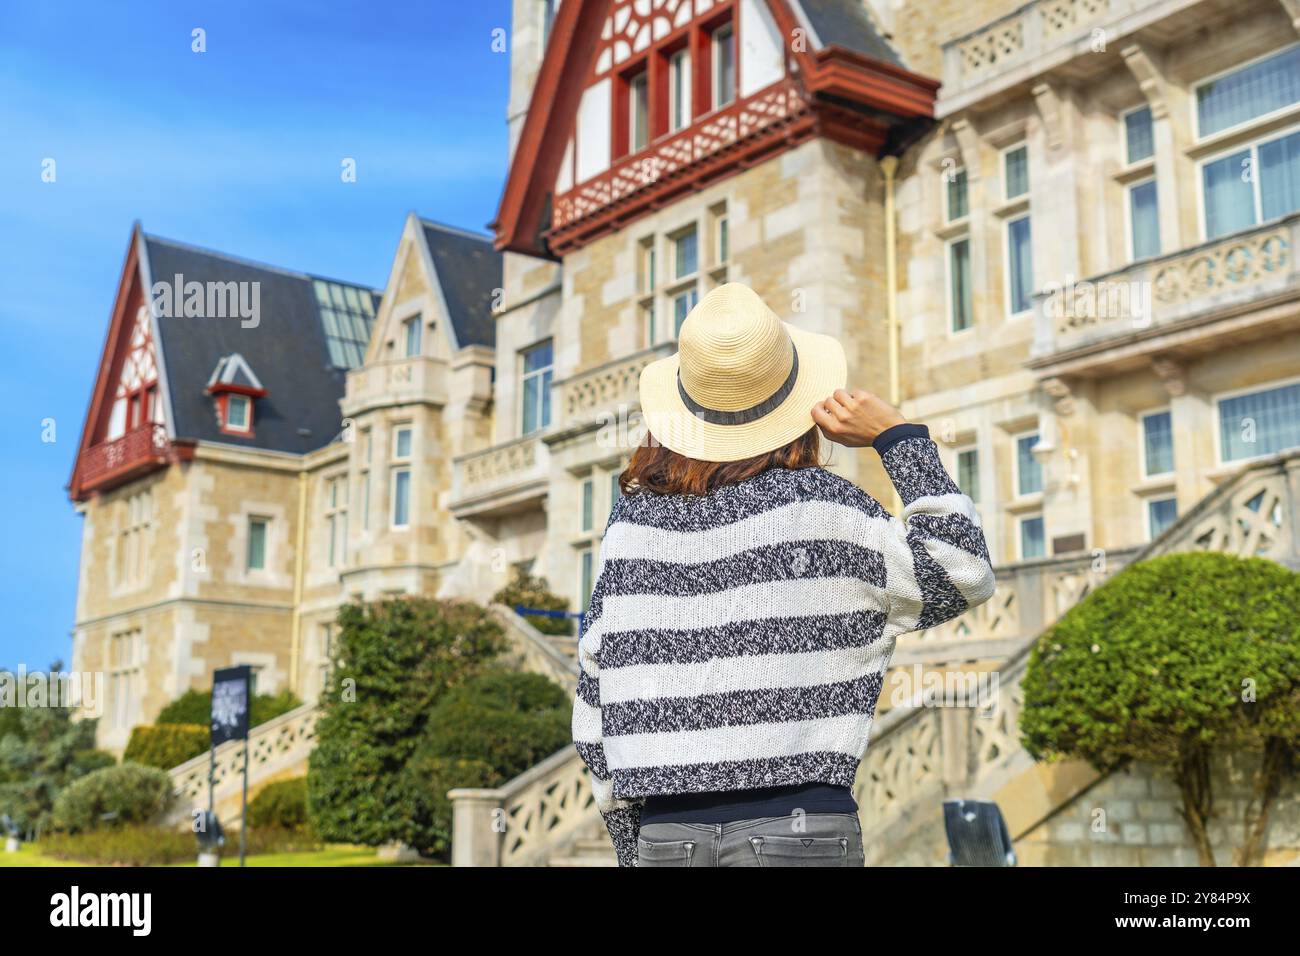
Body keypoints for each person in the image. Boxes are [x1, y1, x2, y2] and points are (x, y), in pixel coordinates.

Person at [571, 283, 995, 867]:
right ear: (798, 404)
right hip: (801, 832)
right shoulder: (825, 510)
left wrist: (633, 842)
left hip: (667, 835)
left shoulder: (634, 527)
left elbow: (594, 692)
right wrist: (899, 438)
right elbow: (962, 568)